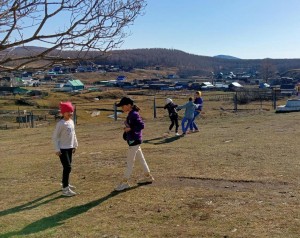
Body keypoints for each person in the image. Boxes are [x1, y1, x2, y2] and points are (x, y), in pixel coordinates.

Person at [115, 97, 154, 191]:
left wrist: (130, 129)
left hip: (134, 141)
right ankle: (148, 176)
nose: (122, 108)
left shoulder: (134, 114)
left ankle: (124, 182)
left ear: (129, 105)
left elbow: (141, 125)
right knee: (141, 159)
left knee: (129, 162)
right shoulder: (131, 114)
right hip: (135, 140)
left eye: (123, 106)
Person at [53, 101, 78, 197]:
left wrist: (75, 145)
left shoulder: (71, 122)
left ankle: (65, 183)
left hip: (69, 147)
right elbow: (55, 137)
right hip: (62, 149)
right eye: (68, 112)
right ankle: (65, 189)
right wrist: (57, 149)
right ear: (63, 113)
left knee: (67, 167)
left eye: (71, 112)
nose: (70, 114)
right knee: (68, 167)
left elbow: (74, 134)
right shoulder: (61, 124)